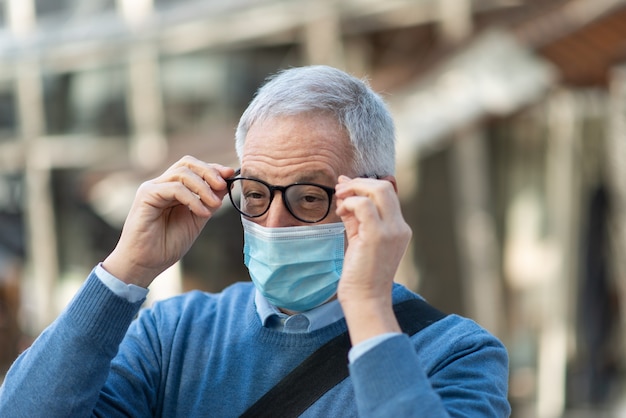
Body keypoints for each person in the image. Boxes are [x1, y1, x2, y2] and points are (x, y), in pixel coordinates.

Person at [0, 65, 510, 417]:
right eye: (257, 194)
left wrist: (369, 309)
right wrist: (124, 271)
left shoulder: (456, 354)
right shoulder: (173, 335)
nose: (275, 223)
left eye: (310, 197)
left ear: (380, 199)